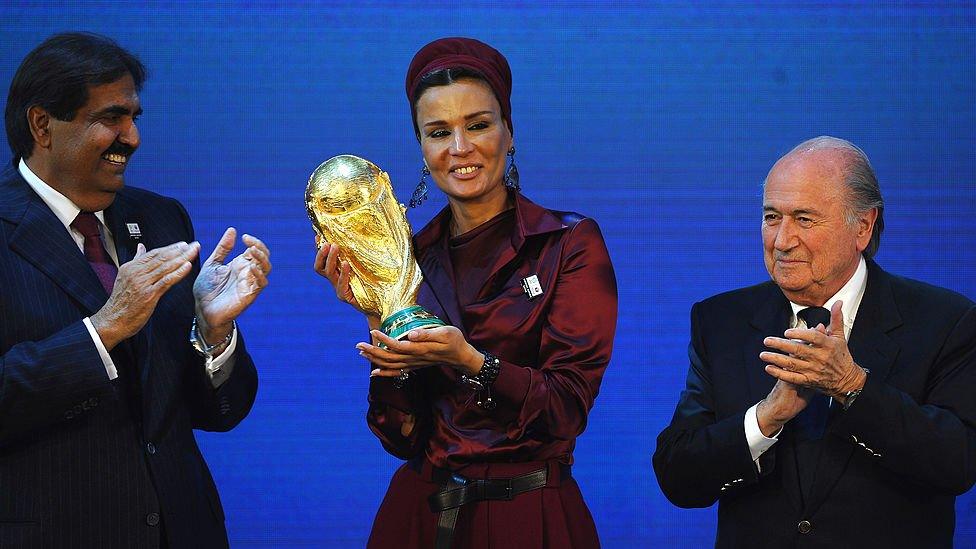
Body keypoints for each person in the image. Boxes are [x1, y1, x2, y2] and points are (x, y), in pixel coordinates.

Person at [314, 37, 617, 548]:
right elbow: (399, 436)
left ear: (509, 132)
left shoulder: (567, 244)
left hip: (531, 517)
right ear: (422, 148)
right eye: (438, 132)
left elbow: (566, 409)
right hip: (419, 517)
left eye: (477, 125)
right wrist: (380, 321)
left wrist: (474, 362)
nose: (460, 148)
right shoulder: (406, 258)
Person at [0, 32, 270, 548]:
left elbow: (217, 414)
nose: (133, 137)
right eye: (110, 118)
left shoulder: (161, 218)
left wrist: (212, 332)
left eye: (134, 118)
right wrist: (101, 333)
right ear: (43, 125)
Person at [653, 136, 976, 547]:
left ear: (862, 226)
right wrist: (765, 418)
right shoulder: (720, 321)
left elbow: (959, 462)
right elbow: (677, 476)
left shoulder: (945, 320)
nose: (782, 240)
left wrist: (852, 386)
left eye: (804, 219)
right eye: (772, 217)